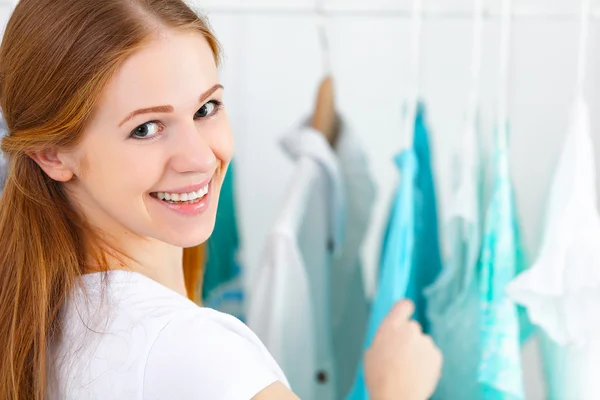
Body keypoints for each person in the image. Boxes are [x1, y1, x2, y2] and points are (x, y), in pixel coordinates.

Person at [0, 0, 443, 399]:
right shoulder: (199, 355)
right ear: (52, 154)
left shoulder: (43, 323)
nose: (198, 158)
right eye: (146, 128)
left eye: (205, 109)